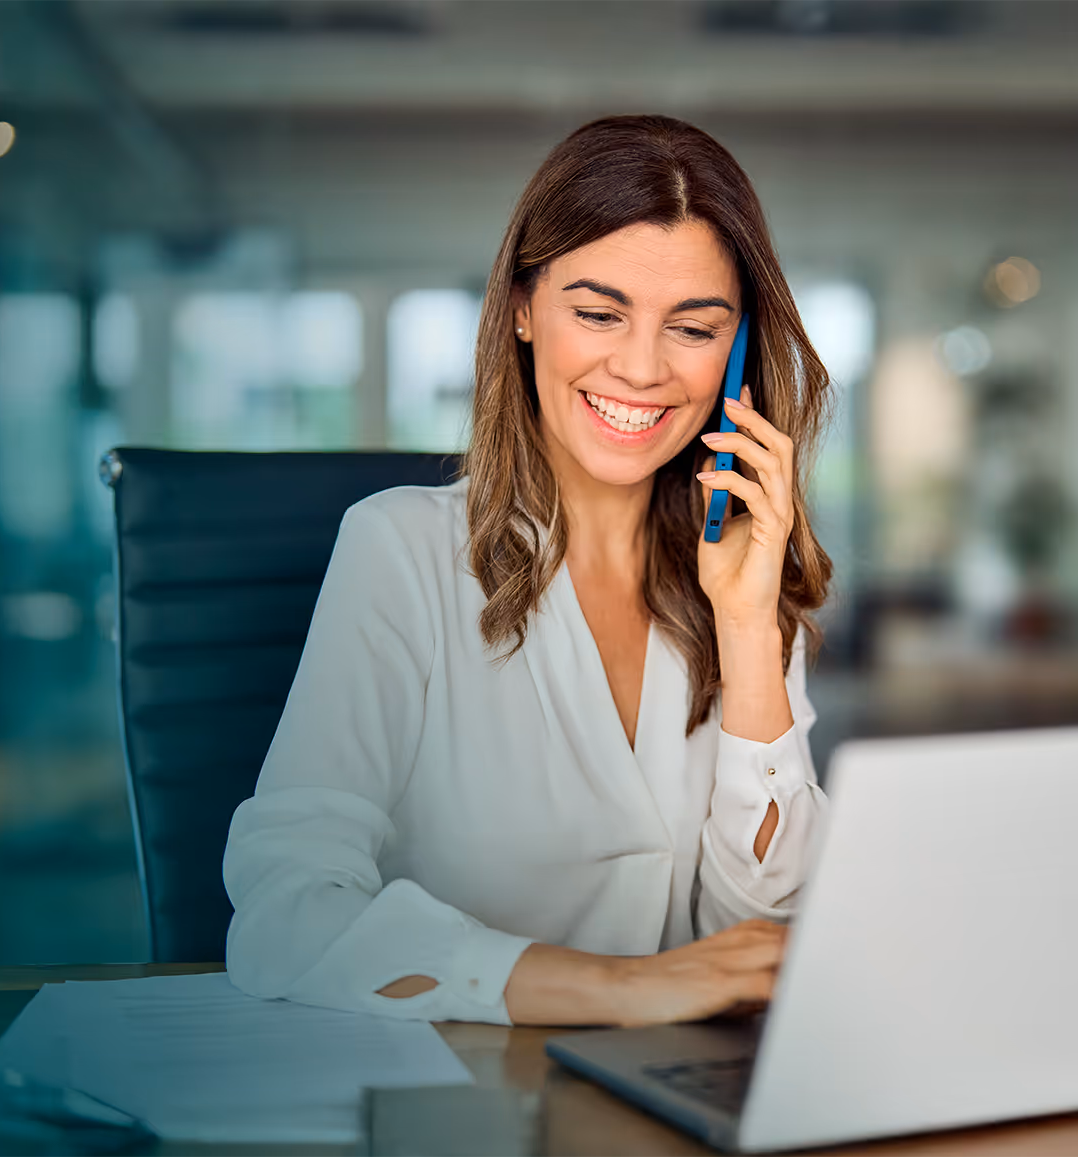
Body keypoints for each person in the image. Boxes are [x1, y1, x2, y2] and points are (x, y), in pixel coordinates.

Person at [224, 114, 835, 1028]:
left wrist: (748, 628)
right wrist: (622, 988)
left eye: (694, 328)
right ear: (521, 306)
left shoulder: (739, 576)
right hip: (454, 1087)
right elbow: (287, 913)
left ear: (738, 352)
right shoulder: (400, 551)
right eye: (597, 312)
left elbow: (752, 943)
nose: (640, 367)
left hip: (664, 1091)